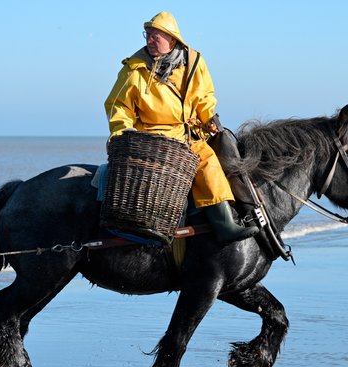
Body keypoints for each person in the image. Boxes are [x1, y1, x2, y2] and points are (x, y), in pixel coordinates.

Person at [104, 11, 258, 243]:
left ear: (172, 40)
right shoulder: (134, 70)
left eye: (155, 37)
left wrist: (209, 120)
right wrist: (122, 129)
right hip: (153, 137)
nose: (149, 41)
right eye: (147, 35)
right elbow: (118, 105)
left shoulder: (194, 63)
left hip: (187, 135)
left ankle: (225, 223)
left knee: (209, 159)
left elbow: (204, 97)